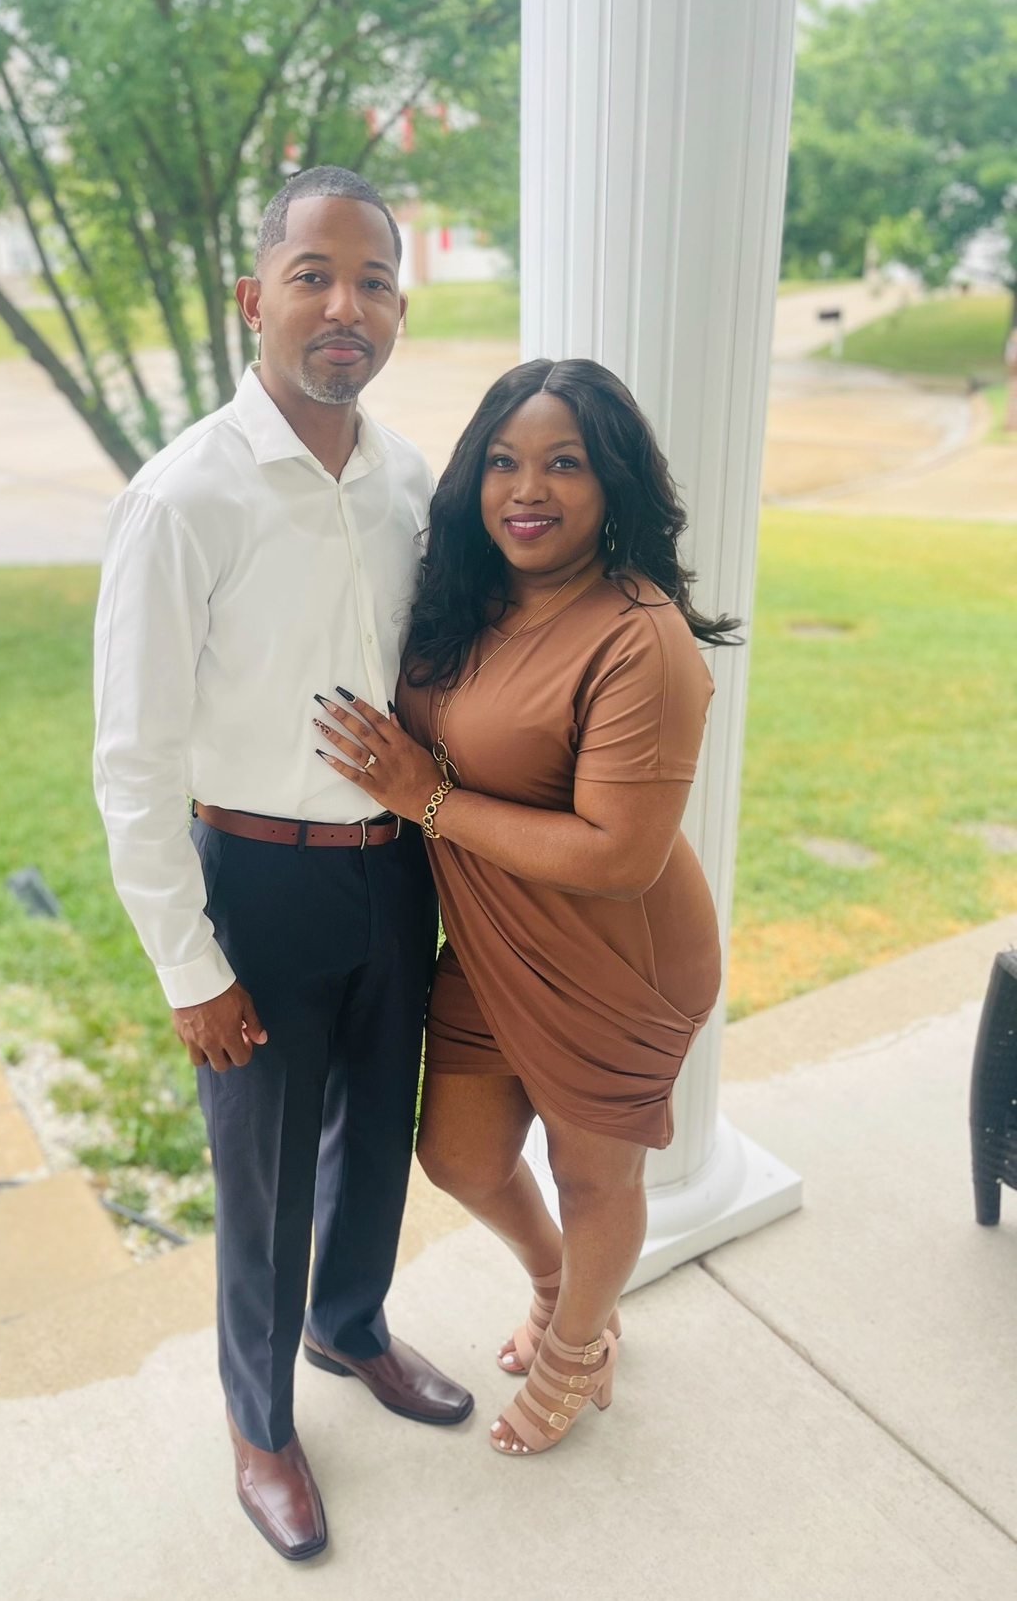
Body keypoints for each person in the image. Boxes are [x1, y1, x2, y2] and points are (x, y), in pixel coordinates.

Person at [93, 166, 471, 1563]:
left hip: (394, 866)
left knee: (377, 1130)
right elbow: (131, 759)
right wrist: (189, 964)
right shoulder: (184, 495)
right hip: (254, 882)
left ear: (397, 312)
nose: (343, 305)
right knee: (261, 1180)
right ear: (254, 297)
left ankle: (349, 1323)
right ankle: (259, 1421)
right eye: (314, 274)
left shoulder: (406, 477)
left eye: (372, 280)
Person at [313, 357, 739, 1458]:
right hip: (493, 936)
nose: (526, 487)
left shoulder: (640, 637)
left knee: (596, 1173)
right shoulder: (466, 592)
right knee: (456, 1153)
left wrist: (427, 797)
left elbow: (619, 855)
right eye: (503, 460)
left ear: (614, 488)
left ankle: (577, 1345)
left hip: (618, 954)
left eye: (564, 463)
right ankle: (560, 1283)